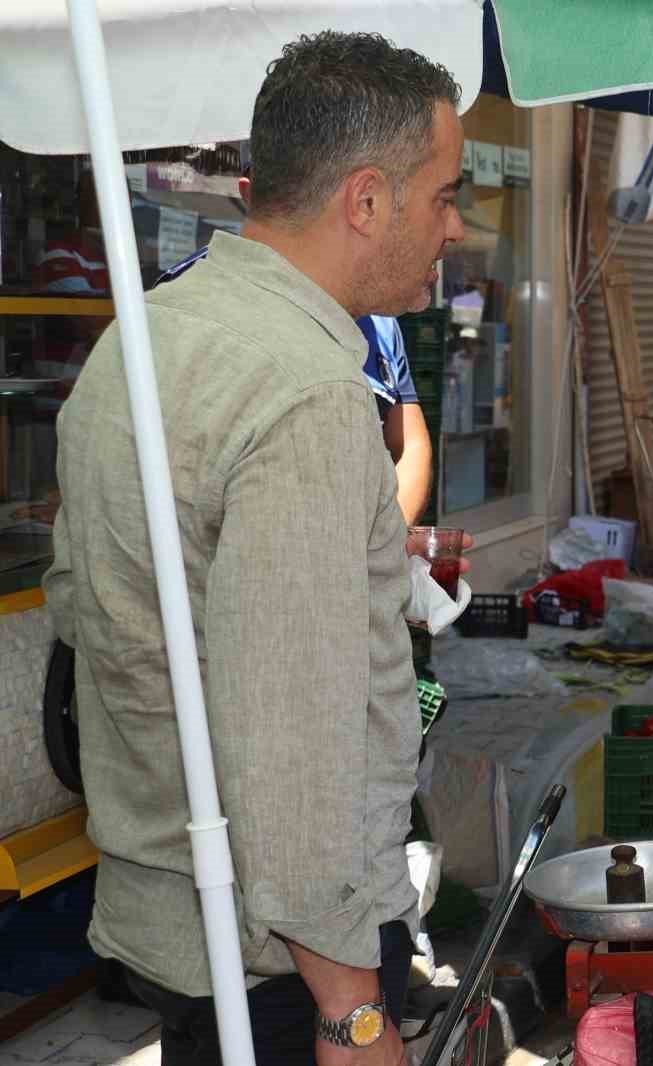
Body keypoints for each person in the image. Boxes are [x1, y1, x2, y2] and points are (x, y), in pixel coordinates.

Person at [44, 32, 465, 1066]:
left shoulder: (143, 340)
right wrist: (353, 1010)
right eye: (444, 195)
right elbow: (293, 739)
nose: (454, 226)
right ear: (366, 201)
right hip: (287, 964)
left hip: (177, 911)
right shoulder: (307, 396)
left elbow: (80, 602)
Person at [157, 172, 435, 525]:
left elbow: (410, 444)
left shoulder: (379, 315)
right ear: (250, 194)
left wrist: (387, 545)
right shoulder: (195, 296)